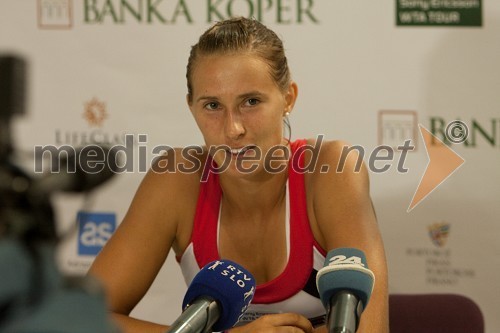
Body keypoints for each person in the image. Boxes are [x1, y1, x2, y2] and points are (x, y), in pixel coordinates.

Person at [88, 17, 389, 333]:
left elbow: (373, 328)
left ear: (288, 98)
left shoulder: (331, 168)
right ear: (191, 107)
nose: (233, 129)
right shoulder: (177, 178)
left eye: (251, 101)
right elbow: (81, 319)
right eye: (213, 105)